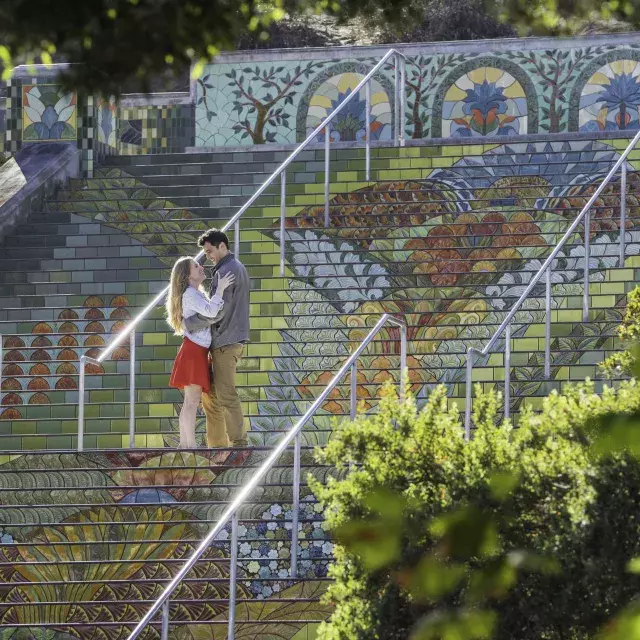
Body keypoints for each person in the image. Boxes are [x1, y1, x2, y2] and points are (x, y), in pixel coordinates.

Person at [183, 228, 251, 448]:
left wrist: (189, 323)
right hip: (224, 341)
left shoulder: (226, 270)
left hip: (225, 341)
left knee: (225, 394)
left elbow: (218, 311)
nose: (208, 256)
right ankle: (217, 446)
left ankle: (238, 444)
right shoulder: (232, 267)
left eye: (210, 251)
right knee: (210, 399)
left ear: (222, 246)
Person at [166, 256, 234, 448]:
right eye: (196, 266)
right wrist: (220, 289)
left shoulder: (194, 293)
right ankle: (189, 444)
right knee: (191, 401)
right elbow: (212, 312)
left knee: (191, 401)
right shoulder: (190, 294)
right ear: (187, 275)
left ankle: (185, 443)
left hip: (196, 350)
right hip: (194, 351)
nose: (200, 267)